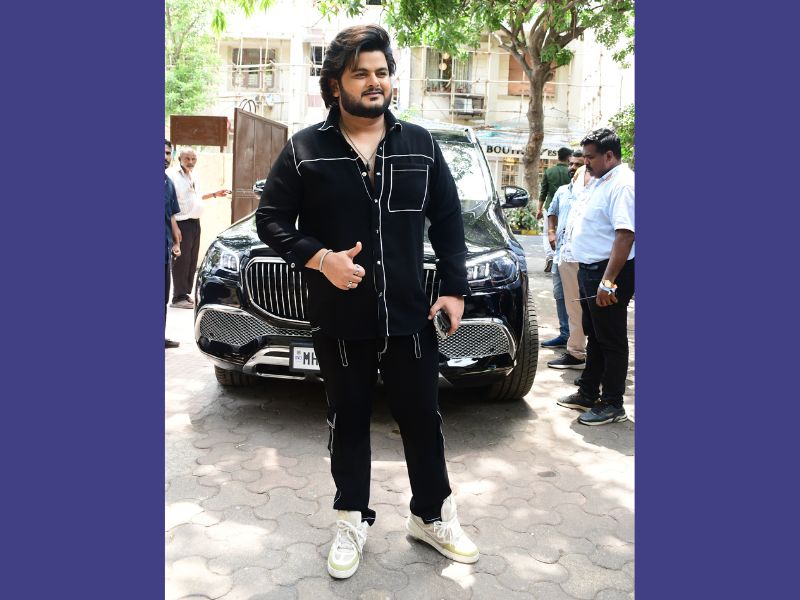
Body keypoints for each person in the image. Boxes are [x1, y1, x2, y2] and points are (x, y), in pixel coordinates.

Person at [255, 24, 478, 579]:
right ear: (335, 84)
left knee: (422, 419)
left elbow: (448, 219)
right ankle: (351, 518)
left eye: (382, 72)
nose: (375, 82)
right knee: (348, 420)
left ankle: (431, 515)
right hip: (340, 318)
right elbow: (271, 220)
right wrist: (319, 258)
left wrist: (453, 289)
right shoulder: (305, 149)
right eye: (361, 74)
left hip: (410, 316)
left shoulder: (420, 144)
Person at [556, 128, 634, 425]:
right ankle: (588, 392)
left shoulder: (623, 184)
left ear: (609, 155)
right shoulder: (603, 180)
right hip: (590, 270)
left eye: (590, 157)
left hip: (608, 274)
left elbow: (625, 235)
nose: (584, 163)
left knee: (611, 339)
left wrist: (608, 281)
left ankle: (613, 404)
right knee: (596, 335)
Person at [169, 147, 229, 309]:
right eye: (187, 159)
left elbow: (195, 197)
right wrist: (175, 228)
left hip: (195, 223)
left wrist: (214, 194)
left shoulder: (193, 175)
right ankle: (177, 298)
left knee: (191, 260)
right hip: (181, 223)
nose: (190, 162)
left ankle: (184, 294)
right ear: (179, 159)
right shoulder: (172, 176)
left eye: (193, 159)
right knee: (181, 261)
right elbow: (168, 202)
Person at [540, 152, 585, 367]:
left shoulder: (587, 193)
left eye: (578, 164)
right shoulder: (562, 191)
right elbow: (552, 212)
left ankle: (579, 345)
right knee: (560, 295)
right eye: (571, 164)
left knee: (580, 301)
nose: (573, 168)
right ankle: (565, 334)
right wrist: (551, 232)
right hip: (561, 253)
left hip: (580, 256)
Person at [537, 146, 573, 272]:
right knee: (565, 231)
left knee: (547, 232)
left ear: (558, 157)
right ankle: (562, 255)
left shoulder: (549, 172)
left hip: (550, 207)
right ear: (569, 157)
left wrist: (539, 209)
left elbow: (543, 192)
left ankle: (550, 256)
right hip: (567, 206)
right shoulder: (572, 171)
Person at [164, 140, 182, 348]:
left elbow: (171, 215)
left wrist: (176, 242)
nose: (165, 157)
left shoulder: (168, 183)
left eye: (168, 153)